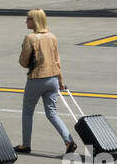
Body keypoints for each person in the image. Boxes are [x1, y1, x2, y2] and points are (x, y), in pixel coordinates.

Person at [17, 8, 76, 155]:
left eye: (28, 19)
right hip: (53, 79)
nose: (26, 21)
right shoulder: (52, 37)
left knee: (27, 112)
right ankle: (68, 141)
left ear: (34, 21)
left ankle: (26, 144)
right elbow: (57, 61)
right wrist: (61, 81)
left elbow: (23, 62)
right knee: (52, 113)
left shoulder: (30, 38)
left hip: (37, 78)